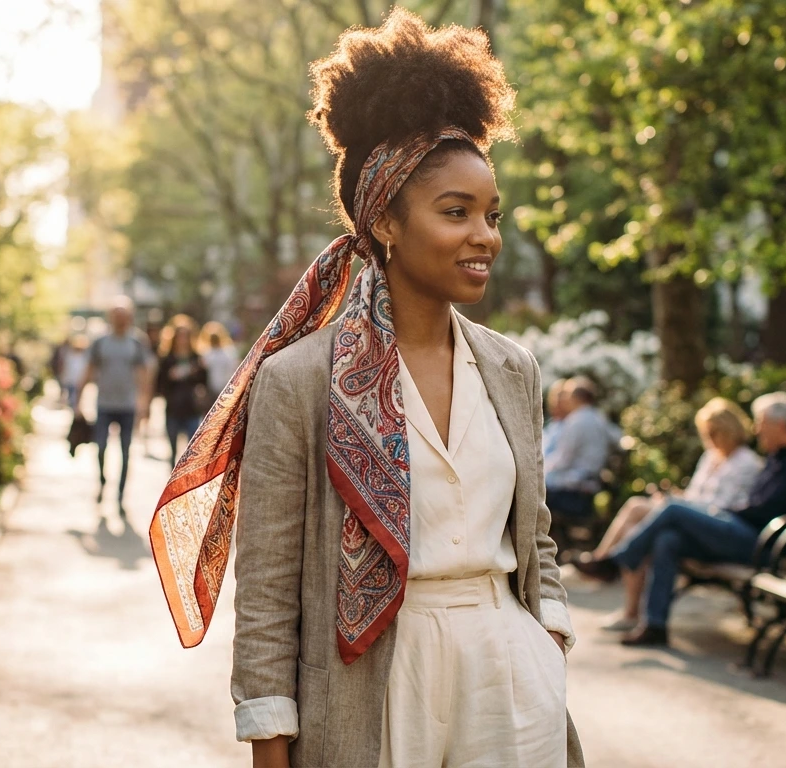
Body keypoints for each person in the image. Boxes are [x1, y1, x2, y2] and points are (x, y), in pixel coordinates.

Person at [147, 11, 582, 768]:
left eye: (491, 214)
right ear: (384, 218)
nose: (486, 236)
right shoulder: (300, 381)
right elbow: (270, 586)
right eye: (456, 213)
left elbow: (533, 533)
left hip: (510, 685)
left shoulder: (513, 370)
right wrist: (268, 738)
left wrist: (547, 639)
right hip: (370, 684)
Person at [575, 392, 786, 647]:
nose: (757, 430)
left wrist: (722, 512)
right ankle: (655, 624)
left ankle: (617, 560)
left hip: (763, 545)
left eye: (762, 423)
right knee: (668, 539)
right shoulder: (777, 459)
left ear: (780, 425)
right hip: (745, 532)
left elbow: (762, 511)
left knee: (674, 509)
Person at [585, 397, 764, 632]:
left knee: (640, 507)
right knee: (661, 537)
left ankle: (608, 559)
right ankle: (646, 620)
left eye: (715, 433)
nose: (710, 439)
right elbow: (694, 497)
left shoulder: (746, 463)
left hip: (719, 529)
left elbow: (722, 508)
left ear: (730, 430)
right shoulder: (711, 457)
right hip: (694, 517)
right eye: (707, 433)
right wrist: (674, 499)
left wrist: (677, 504)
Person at [76, 297, 151, 509]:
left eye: (124, 315)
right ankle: (102, 482)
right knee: (100, 448)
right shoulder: (100, 343)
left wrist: (144, 403)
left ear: (129, 317)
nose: (120, 319)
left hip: (127, 406)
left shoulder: (136, 343)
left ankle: (120, 495)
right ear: (111, 317)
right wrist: (78, 401)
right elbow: (88, 370)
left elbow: (144, 374)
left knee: (126, 452)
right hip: (104, 404)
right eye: (117, 315)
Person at [543, 376, 614, 522]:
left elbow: (563, 460)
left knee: (534, 488)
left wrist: (541, 470)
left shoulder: (576, 422)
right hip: (591, 483)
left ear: (576, 398)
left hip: (575, 489)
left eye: (568, 396)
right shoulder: (599, 418)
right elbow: (618, 439)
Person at [156, 316, 209, 465]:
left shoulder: (196, 358)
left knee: (191, 449)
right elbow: (159, 385)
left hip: (191, 407)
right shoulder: (167, 359)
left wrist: (196, 374)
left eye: (186, 336)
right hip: (173, 408)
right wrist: (172, 376)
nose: (183, 340)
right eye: (180, 336)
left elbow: (204, 381)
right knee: (172, 447)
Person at [199, 321, 240, 396]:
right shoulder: (207, 353)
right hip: (210, 389)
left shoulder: (229, 351)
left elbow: (233, 367)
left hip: (226, 387)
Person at [58, 335, 90, 411]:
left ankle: (74, 409)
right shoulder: (70, 355)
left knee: (75, 396)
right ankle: (72, 408)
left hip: (78, 379)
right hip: (70, 378)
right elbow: (66, 366)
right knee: (70, 395)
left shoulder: (85, 356)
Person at [542, 378, 571, 460]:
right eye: (554, 396)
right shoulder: (549, 423)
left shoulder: (571, 424)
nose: (557, 401)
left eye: (562, 396)